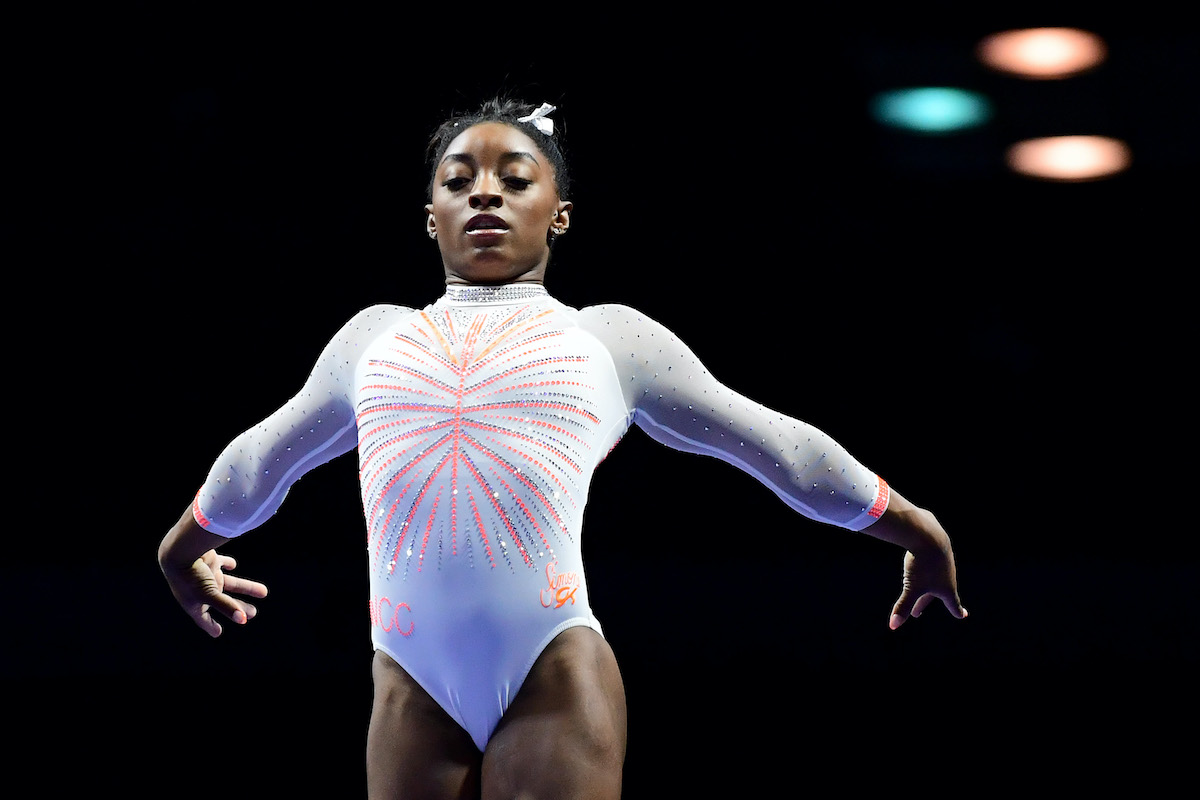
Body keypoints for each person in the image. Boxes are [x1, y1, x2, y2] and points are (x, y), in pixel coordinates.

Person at [158, 96, 967, 799]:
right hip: (407, 678)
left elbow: (783, 452)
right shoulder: (373, 339)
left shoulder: (609, 340)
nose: (485, 192)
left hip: (551, 667)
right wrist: (181, 547)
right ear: (429, 215)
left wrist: (915, 525)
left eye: (515, 178)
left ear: (560, 213)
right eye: (458, 179)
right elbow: (259, 464)